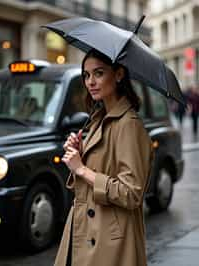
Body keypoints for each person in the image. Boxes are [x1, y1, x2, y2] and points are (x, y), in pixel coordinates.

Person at [54, 49, 154, 266]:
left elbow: (131, 193)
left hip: (109, 243)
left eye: (98, 73)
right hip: (88, 231)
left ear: (118, 75)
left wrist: (82, 169)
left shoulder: (128, 124)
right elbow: (90, 180)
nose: (91, 82)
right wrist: (80, 154)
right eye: (86, 75)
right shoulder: (99, 120)